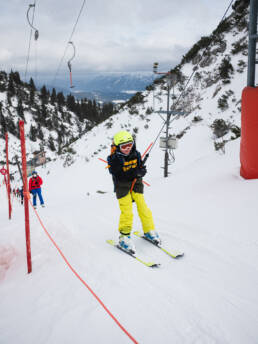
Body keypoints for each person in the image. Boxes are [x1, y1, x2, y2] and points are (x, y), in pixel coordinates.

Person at [107, 130, 160, 253]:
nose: (127, 148)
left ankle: (149, 230)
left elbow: (139, 167)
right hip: (122, 186)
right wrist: (135, 172)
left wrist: (142, 170)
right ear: (117, 147)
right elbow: (119, 175)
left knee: (143, 207)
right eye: (124, 146)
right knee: (127, 212)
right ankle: (124, 237)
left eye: (129, 145)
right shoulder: (113, 159)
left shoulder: (135, 154)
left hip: (136, 183)